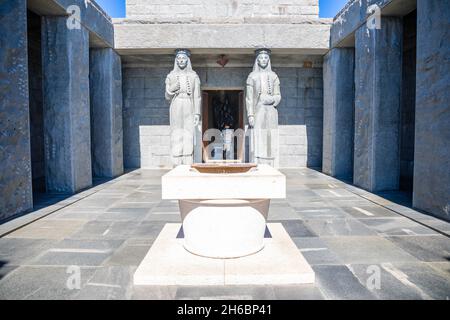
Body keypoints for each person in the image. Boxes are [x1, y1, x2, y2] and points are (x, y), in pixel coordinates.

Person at [165, 49, 201, 166]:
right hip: (176, 103)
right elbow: (167, 95)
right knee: (176, 130)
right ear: (176, 60)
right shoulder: (171, 75)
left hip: (188, 104)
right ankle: (176, 157)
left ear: (187, 60)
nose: (181, 61)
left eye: (183, 58)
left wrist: (197, 113)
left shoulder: (193, 76)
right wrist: (173, 88)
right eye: (179, 58)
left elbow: (197, 96)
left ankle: (187, 157)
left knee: (188, 131)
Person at [245, 49, 281, 165]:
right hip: (258, 110)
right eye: (261, 58)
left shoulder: (274, 76)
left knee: (270, 134)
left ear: (268, 60)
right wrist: (250, 114)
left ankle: (271, 160)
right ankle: (258, 160)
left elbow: (278, 95)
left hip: (271, 109)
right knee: (258, 134)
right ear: (257, 60)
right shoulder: (252, 76)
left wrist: (270, 99)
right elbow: (249, 98)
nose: (263, 60)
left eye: (266, 57)